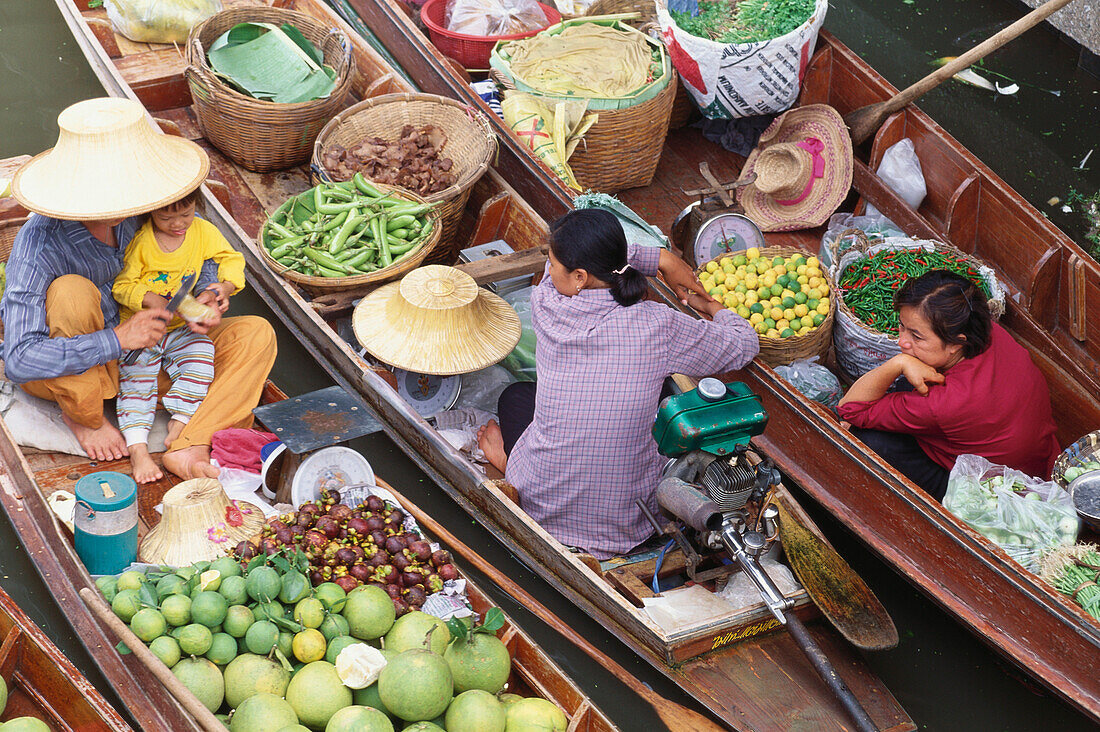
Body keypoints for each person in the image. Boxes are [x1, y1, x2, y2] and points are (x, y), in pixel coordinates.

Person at [3, 97, 276, 479]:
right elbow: (19, 359)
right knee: (70, 291)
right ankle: (84, 417)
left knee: (255, 334)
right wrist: (118, 338)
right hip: (79, 375)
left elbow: (201, 249)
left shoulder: (150, 207)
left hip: (152, 360)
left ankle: (188, 445)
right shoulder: (40, 243)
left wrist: (211, 291)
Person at [477, 209, 759, 559]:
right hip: (627, 518)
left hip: (541, 501)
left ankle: (510, 465)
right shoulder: (657, 324)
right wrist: (711, 304)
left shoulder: (546, 303)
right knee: (655, 396)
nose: (548, 272)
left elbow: (573, 273)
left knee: (516, 397)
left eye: (552, 263)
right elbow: (745, 344)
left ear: (580, 277)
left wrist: (657, 258)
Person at [838, 270, 1059, 501]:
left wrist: (898, 363)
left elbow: (849, 409)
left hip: (995, 492)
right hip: (1038, 458)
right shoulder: (991, 331)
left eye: (916, 336)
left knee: (863, 436)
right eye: (902, 326)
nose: (901, 341)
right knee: (909, 378)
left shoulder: (944, 403)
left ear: (956, 343)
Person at [113, 187, 246, 483]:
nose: (178, 224)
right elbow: (122, 285)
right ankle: (138, 451)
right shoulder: (143, 241)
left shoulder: (202, 231)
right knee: (136, 384)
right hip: (143, 329)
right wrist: (151, 299)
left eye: (185, 215)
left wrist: (222, 288)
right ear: (151, 214)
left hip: (179, 328)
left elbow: (232, 258)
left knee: (202, 358)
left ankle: (180, 420)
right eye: (167, 218)